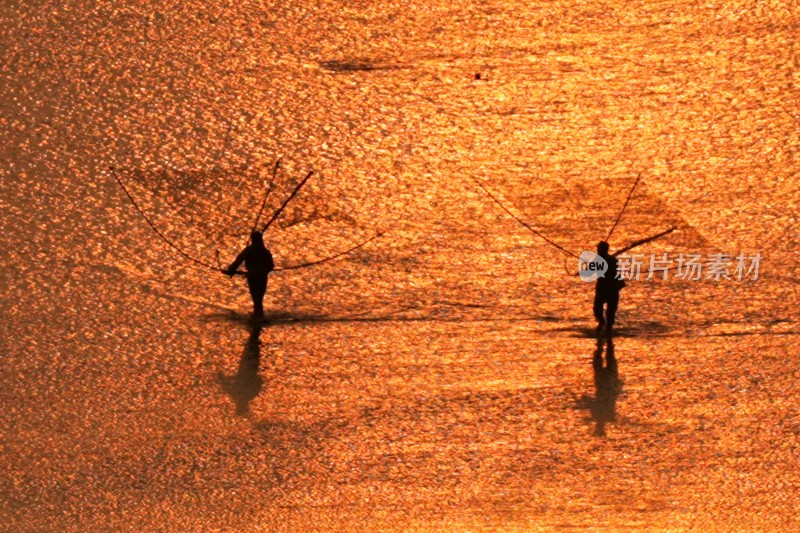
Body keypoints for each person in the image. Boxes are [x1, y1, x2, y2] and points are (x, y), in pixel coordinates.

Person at [225, 231, 274, 318]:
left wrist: (231, 270)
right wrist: (263, 271)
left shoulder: (249, 250)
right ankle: (259, 316)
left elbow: (238, 261)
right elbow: (271, 266)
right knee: (259, 298)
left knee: (256, 298)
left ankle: (257, 316)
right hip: (261, 277)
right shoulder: (264, 251)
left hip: (253, 276)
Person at [593, 241, 624, 334]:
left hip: (612, 288)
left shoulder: (611, 260)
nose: (598, 251)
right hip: (601, 288)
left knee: (610, 311)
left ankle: (608, 329)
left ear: (604, 250)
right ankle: (601, 322)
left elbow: (617, 272)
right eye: (598, 249)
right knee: (597, 308)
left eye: (599, 249)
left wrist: (621, 282)